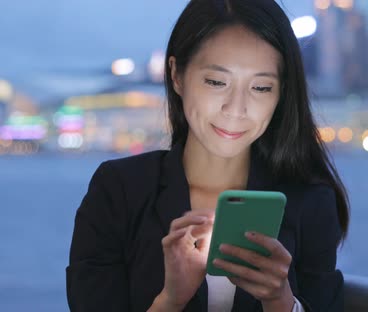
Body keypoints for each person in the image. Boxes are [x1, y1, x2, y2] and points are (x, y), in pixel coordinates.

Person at [66, 0, 350, 311]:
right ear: (177, 75)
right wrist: (170, 299)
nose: (236, 108)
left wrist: (281, 302)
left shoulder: (310, 201)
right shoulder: (118, 191)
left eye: (260, 87)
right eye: (217, 82)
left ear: (281, 95)